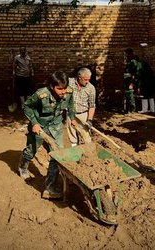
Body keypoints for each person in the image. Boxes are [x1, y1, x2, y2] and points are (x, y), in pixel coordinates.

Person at [18, 71, 78, 199]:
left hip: (56, 125)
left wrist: (72, 118)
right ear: (52, 86)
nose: (63, 91)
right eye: (59, 89)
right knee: (31, 150)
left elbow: (71, 106)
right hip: (40, 125)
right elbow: (27, 107)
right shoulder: (41, 94)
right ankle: (23, 167)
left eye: (65, 88)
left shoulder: (69, 92)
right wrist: (34, 123)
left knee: (57, 154)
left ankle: (49, 187)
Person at [67, 67, 96, 147]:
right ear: (79, 78)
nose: (87, 82)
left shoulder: (91, 88)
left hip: (83, 114)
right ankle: (74, 148)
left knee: (86, 135)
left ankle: (89, 152)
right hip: (70, 113)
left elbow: (92, 105)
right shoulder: (70, 82)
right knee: (72, 132)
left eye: (89, 79)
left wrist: (89, 120)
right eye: (86, 79)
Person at [123, 48, 140, 114]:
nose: (126, 56)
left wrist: (132, 83)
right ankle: (127, 110)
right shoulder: (128, 61)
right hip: (126, 80)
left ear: (130, 54)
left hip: (130, 81)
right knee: (127, 95)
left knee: (130, 95)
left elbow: (134, 74)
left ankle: (131, 109)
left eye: (127, 54)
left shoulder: (133, 62)